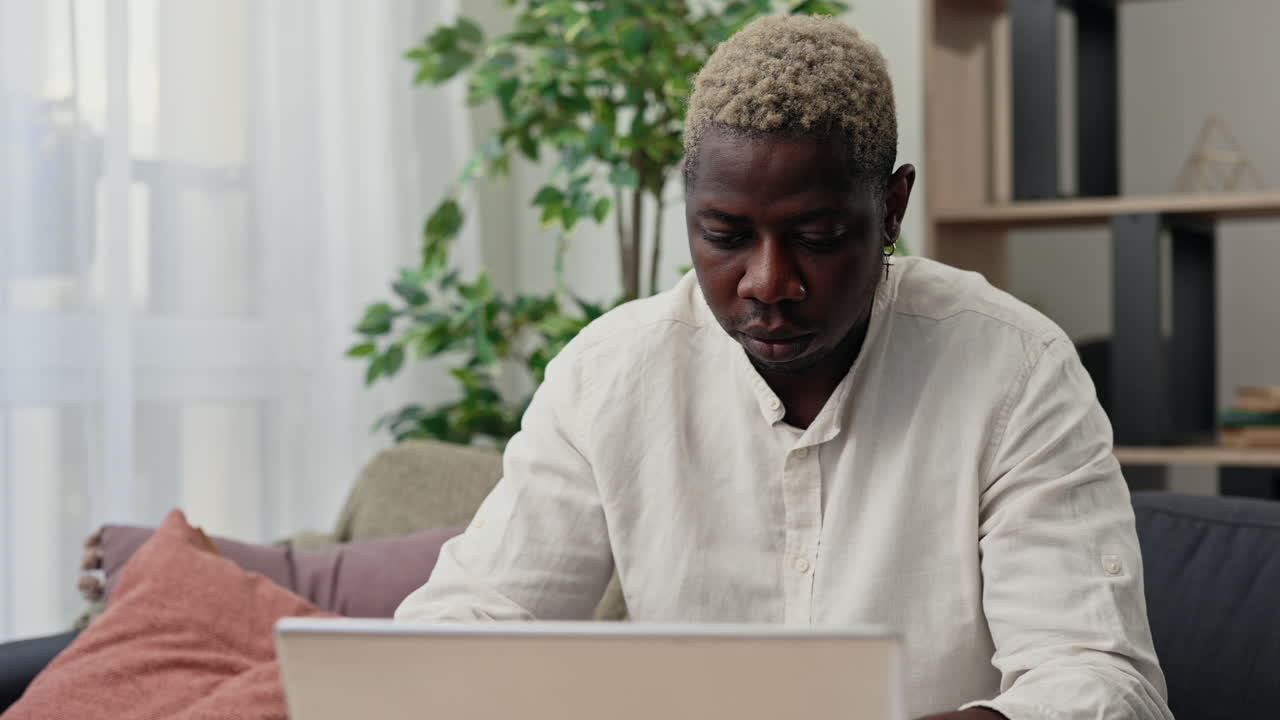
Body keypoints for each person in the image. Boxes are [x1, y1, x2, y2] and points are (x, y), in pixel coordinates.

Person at [396, 15, 1173, 720]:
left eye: (817, 235)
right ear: (690, 205)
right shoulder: (608, 378)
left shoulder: (1015, 370)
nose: (768, 283)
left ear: (892, 208)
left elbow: (1101, 682)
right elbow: (468, 625)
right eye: (725, 235)